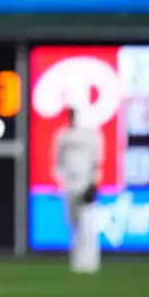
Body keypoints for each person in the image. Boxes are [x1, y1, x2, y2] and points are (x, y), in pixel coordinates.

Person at [53, 107, 103, 274]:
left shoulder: (92, 135)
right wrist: (60, 180)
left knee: (87, 222)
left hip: (85, 181)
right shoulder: (63, 136)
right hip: (69, 182)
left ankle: (90, 262)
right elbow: (58, 161)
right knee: (73, 222)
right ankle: (77, 261)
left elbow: (97, 161)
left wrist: (94, 183)